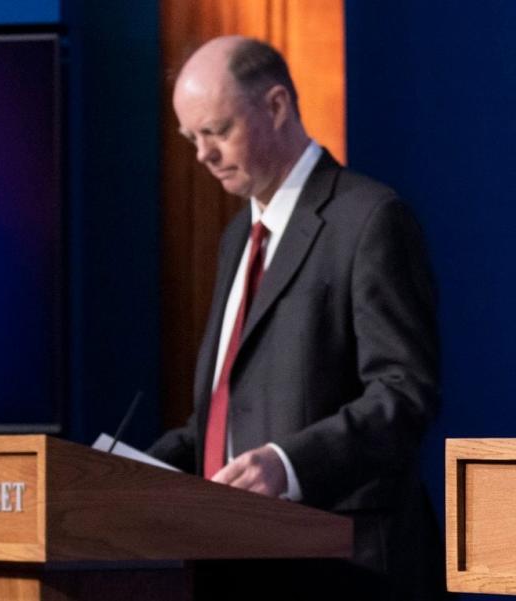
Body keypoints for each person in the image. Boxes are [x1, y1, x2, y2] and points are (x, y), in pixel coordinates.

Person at [148, 35, 444, 599]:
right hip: (237, 564)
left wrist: (289, 464)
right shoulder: (239, 237)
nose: (203, 155)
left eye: (216, 131)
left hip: (345, 567)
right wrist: (121, 474)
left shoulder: (369, 219)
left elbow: (404, 395)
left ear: (277, 106)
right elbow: (224, 420)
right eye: (192, 139)